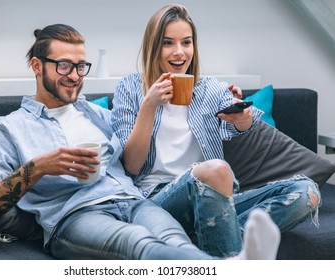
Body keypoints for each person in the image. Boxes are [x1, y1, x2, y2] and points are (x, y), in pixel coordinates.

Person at [0, 23, 281, 260]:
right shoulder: (10, 128)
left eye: (80, 67)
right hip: (76, 215)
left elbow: (140, 152)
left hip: (133, 201)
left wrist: (216, 101)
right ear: (37, 66)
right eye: (64, 65)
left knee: (176, 242)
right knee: (140, 246)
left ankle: (234, 265)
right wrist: (39, 167)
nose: (75, 76)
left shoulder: (97, 115)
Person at [110, 4, 321, 258]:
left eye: (186, 43)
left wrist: (240, 118)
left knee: (306, 192)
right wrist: (149, 105)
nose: (179, 52)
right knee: (216, 169)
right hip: (156, 200)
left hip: (215, 199)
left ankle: (208, 236)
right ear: (153, 46)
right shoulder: (131, 87)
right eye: (168, 43)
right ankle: (230, 257)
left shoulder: (211, 89)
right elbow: (131, 166)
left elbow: (245, 123)